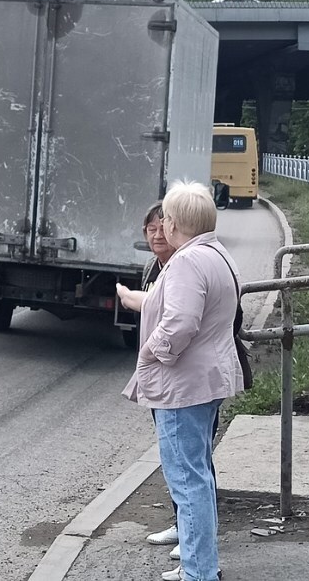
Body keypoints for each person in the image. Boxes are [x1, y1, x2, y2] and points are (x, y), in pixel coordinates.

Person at [121, 181, 243, 581]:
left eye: (167, 219)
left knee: (188, 482)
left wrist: (151, 352)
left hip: (183, 386)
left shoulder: (188, 262)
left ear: (175, 224)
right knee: (198, 479)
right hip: (205, 382)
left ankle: (199, 572)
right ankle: (199, 564)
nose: (164, 225)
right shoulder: (216, 253)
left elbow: (180, 323)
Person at [117, 204, 183, 558]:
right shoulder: (152, 267)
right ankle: (182, 524)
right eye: (150, 230)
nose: (157, 235)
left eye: (163, 228)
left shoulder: (183, 267)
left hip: (183, 377)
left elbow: (178, 321)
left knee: (189, 459)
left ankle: (194, 537)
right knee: (173, 455)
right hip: (163, 376)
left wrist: (132, 301)